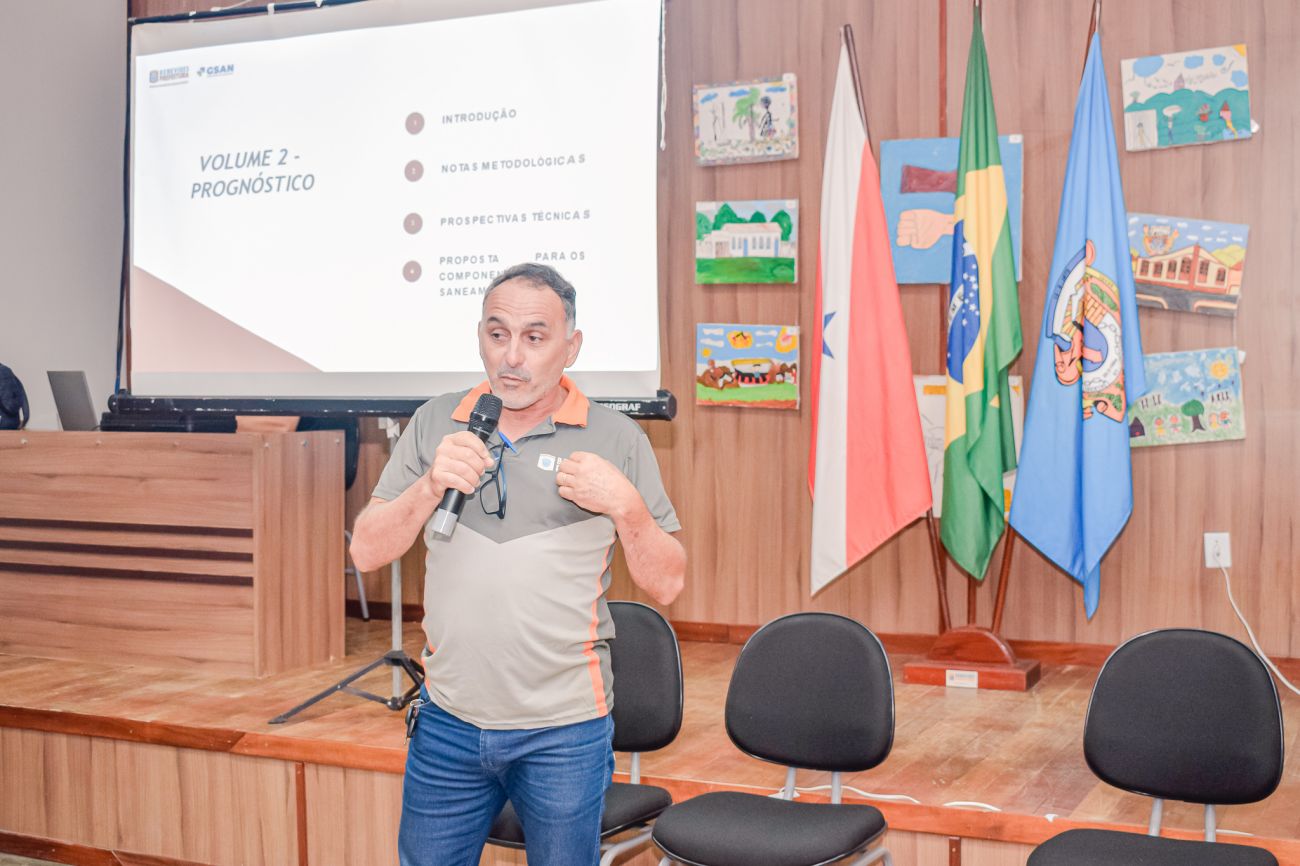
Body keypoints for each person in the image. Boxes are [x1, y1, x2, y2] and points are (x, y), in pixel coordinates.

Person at [349, 262, 685, 866]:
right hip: (447, 721)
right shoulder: (436, 422)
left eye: (534, 337)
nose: (511, 356)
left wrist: (627, 507)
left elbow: (668, 582)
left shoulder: (617, 438)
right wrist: (429, 485)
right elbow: (366, 550)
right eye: (497, 333)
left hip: (564, 732)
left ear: (570, 347)